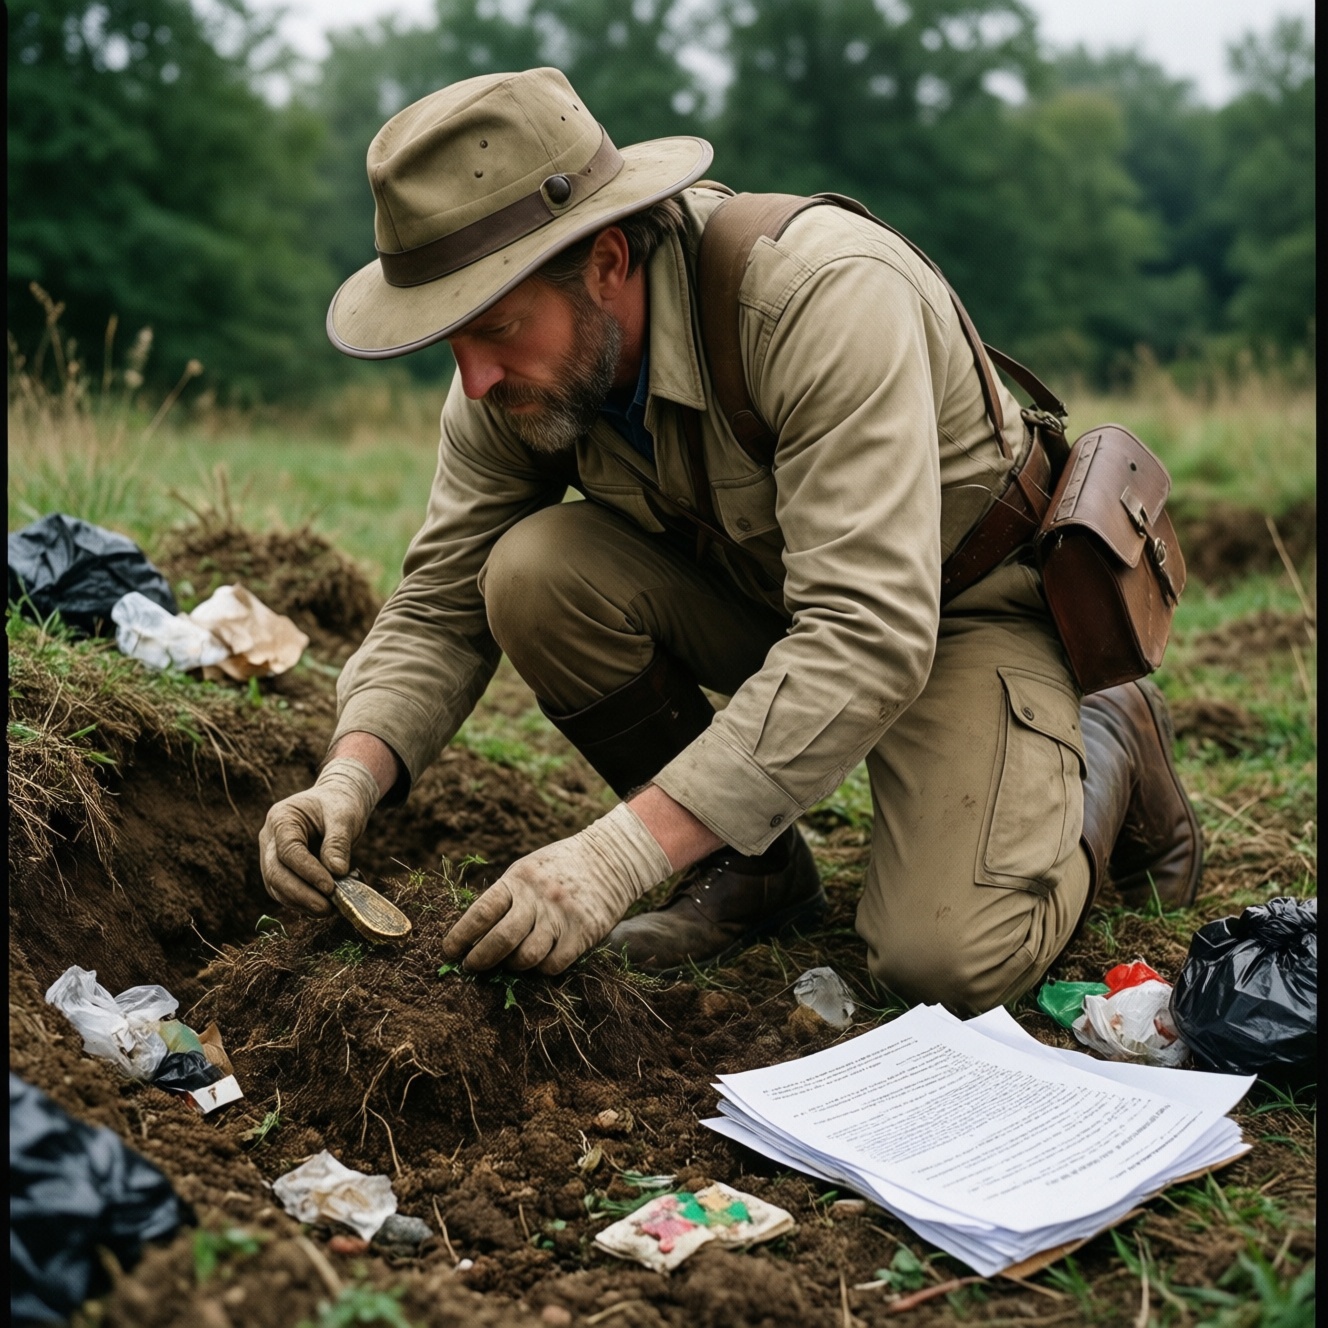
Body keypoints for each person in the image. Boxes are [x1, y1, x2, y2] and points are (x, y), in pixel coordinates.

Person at [259, 67, 1202, 1015]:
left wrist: (619, 854)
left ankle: (1106, 737)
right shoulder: (513, 377)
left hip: (958, 609)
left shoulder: (823, 297)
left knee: (944, 964)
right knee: (532, 572)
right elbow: (441, 602)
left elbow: (866, 632)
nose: (473, 382)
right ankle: (753, 870)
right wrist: (346, 780)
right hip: (776, 600)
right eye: (451, 340)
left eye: (497, 328)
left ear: (607, 264)